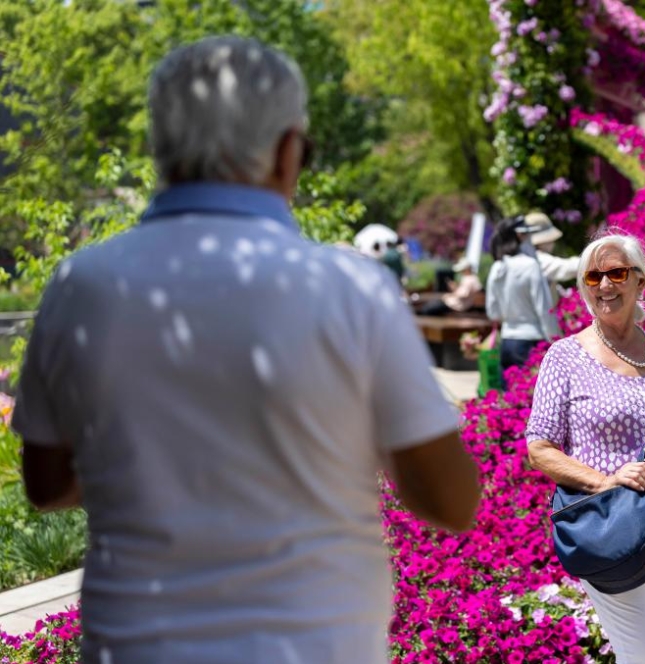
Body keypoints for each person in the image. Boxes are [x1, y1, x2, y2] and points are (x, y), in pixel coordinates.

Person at [12, 36, 480, 664]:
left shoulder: (81, 285)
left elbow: (46, 485)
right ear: (288, 151)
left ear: (159, 149)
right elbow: (450, 501)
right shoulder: (349, 288)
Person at [524, 232, 645, 664]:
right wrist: (605, 480)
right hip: (607, 526)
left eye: (616, 273)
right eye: (593, 277)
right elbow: (539, 448)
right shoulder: (564, 357)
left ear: (640, 280)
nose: (604, 285)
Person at [485, 215, 560, 377]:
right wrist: (556, 341)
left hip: (507, 340)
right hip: (530, 341)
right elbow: (544, 309)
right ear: (520, 235)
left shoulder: (498, 266)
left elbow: (493, 312)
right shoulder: (530, 265)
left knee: (509, 391)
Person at [520, 211, 580, 291]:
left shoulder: (525, 256)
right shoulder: (537, 259)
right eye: (550, 239)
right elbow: (567, 268)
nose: (553, 242)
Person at [418, 257, 482, 316]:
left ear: (466, 269)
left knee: (427, 309)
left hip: (456, 306)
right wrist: (454, 289)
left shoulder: (470, 279)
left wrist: (450, 294)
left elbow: (463, 295)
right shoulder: (470, 278)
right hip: (454, 304)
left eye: (462, 270)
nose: (461, 272)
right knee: (429, 306)